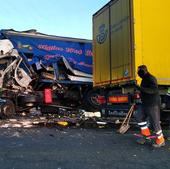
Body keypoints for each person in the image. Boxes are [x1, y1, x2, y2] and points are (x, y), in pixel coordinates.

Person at [136, 65, 165, 148]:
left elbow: (153, 90)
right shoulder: (144, 79)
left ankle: (160, 140)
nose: (137, 73)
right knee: (139, 116)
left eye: (138, 71)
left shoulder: (151, 78)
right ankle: (146, 135)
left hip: (152, 104)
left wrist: (140, 88)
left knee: (155, 122)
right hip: (145, 103)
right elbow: (144, 91)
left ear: (143, 70)